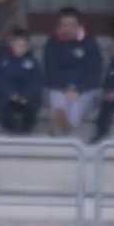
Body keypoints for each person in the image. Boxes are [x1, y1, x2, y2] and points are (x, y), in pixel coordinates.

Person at [44, 7, 102, 135]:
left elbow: (94, 71)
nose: (67, 28)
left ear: (80, 25)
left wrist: (77, 89)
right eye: (63, 25)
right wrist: (65, 88)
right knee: (58, 101)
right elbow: (50, 70)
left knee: (76, 105)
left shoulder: (90, 42)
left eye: (71, 24)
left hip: (86, 89)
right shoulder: (52, 43)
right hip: (60, 88)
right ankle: (62, 126)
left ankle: (61, 129)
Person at [0, 30, 43, 134]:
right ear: (11, 45)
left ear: (27, 47)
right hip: (10, 96)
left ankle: (26, 129)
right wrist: (11, 94)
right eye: (17, 45)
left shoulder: (33, 63)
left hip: (27, 97)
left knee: (33, 104)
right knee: (3, 104)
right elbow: (1, 81)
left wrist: (26, 95)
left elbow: (36, 82)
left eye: (23, 46)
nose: (20, 48)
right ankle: (10, 128)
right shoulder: (4, 62)